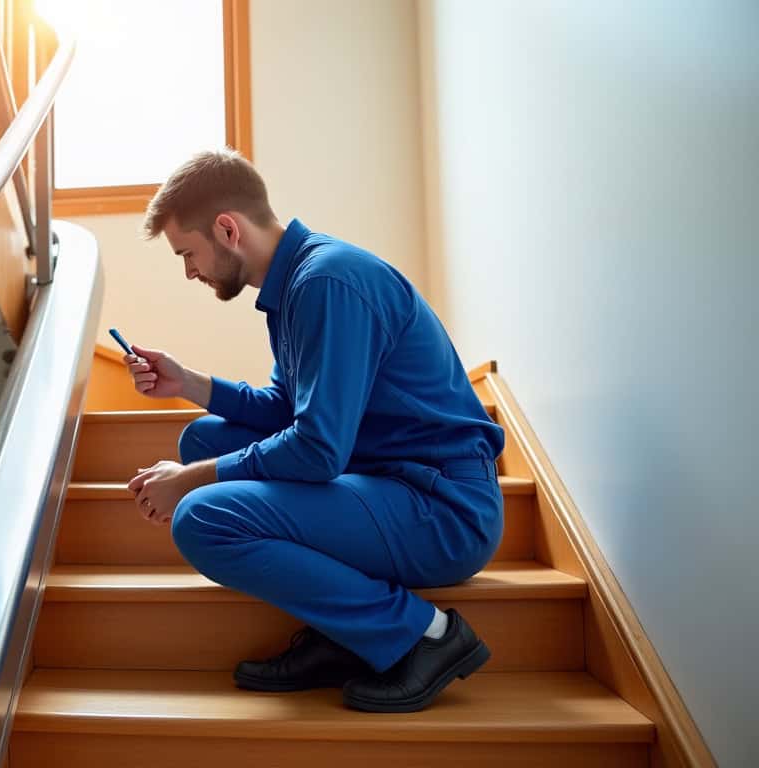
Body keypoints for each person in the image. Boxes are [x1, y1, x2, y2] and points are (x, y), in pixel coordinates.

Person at [123, 149, 504, 713]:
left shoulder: (328, 282)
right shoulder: (298, 284)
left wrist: (190, 482)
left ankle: (426, 635)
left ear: (227, 229)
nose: (190, 272)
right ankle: (346, 632)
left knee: (203, 514)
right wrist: (189, 382)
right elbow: (286, 409)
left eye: (188, 254)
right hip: (383, 481)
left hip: (442, 507)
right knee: (203, 439)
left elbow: (319, 449)